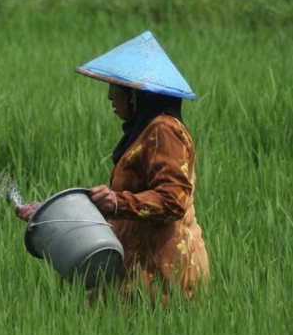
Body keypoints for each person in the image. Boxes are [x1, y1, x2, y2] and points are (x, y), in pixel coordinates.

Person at [15, 31, 210, 304]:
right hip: (138, 272)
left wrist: (117, 202)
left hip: (164, 281)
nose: (109, 97)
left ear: (135, 95)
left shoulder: (164, 131)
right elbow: (127, 205)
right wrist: (51, 214)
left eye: (114, 88)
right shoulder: (144, 132)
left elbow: (172, 200)